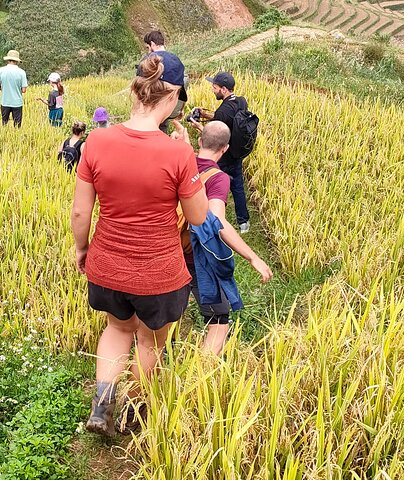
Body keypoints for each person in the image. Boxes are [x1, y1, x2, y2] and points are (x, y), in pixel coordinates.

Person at [71, 52, 208, 437]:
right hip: (158, 274)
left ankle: (101, 406)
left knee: (117, 328)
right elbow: (197, 218)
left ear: (135, 89)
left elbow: (82, 214)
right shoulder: (177, 152)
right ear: (174, 97)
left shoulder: (96, 142)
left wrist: (83, 249)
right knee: (149, 340)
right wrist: (190, 159)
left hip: (107, 265)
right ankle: (133, 411)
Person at [175, 120, 272, 355]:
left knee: (166, 316)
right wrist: (252, 257)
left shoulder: (181, 162)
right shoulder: (218, 178)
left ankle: (157, 371)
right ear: (225, 148)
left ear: (200, 141)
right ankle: (203, 373)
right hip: (196, 255)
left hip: (168, 249)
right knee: (219, 317)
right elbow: (217, 221)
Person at [191, 72, 251, 233]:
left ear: (223, 89)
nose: (212, 89)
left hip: (222, 155)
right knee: (238, 187)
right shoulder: (240, 101)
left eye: (215, 87)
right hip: (236, 153)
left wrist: (199, 126)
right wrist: (205, 114)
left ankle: (212, 220)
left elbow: (214, 136)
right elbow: (228, 120)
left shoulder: (223, 111)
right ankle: (244, 223)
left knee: (213, 186)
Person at [141, 30, 188, 133]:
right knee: (162, 132)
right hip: (168, 109)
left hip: (149, 112)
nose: (148, 51)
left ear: (152, 44)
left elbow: (140, 89)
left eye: (148, 48)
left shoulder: (148, 60)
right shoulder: (176, 60)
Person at [0, 50, 28, 128]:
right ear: (17, 61)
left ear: (8, 59)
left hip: (5, 101)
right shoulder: (22, 72)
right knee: (17, 125)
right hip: (17, 102)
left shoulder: (1, 70)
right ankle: (16, 138)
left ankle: (4, 137)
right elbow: (24, 90)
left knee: (4, 123)